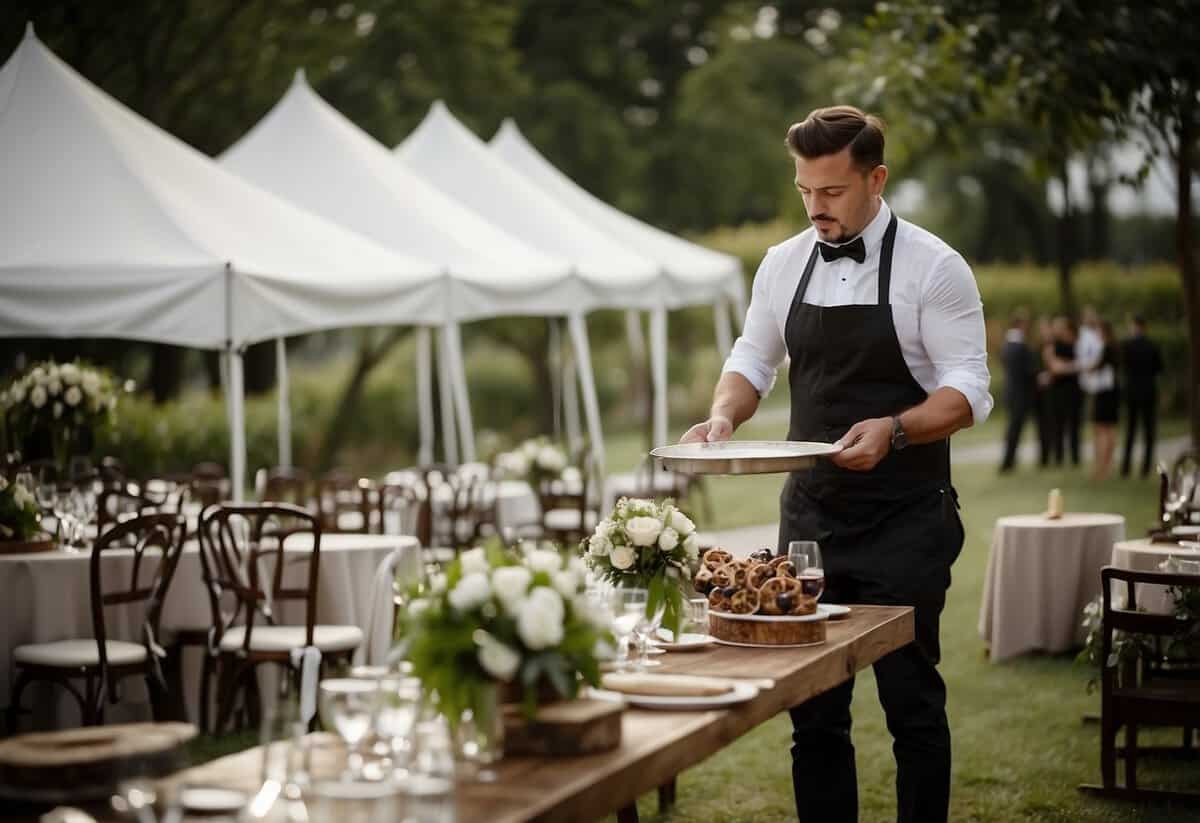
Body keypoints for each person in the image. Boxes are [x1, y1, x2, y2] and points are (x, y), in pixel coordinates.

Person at [681, 105, 991, 823]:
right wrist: (726, 411)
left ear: (876, 179)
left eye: (832, 192)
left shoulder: (935, 267)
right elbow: (751, 359)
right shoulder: (782, 263)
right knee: (814, 714)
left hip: (906, 518)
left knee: (911, 706)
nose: (815, 208)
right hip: (812, 521)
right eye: (804, 192)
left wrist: (895, 428)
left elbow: (969, 391)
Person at [1120, 315, 1163, 476]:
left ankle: (1126, 467)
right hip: (1148, 391)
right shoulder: (1152, 346)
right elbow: (1159, 368)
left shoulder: (1127, 346)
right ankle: (1145, 468)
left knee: (1130, 430)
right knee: (1148, 431)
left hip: (1132, 392)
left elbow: (1123, 367)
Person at [1000, 311, 1037, 472]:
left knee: (1012, 428)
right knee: (1015, 429)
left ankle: (1009, 460)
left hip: (1010, 392)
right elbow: (1029, 371)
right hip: (1020, 394)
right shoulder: (1021, 347)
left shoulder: (1006, 346)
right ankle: (1008, 461)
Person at [1044, 315, 1082, 466]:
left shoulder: (1077, 344)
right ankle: (1059, 458)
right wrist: (1073, 366)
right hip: (1058, 390)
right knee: (1058, 425)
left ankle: (1075, 458)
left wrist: (1066, 366)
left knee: (1074, 425)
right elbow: (1055, 368)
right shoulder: (1053, 345)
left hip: (1074, 390)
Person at [1089, 319, 1120, 480]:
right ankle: (1108, 465)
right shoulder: (1114, 348)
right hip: (1112, 393)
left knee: (1103, 429)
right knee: (1109, 429)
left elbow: (1094, 367)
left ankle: (1103, 466)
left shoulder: (1106, 349)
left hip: (1105, 393)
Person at [1034, 316, 1056, 466]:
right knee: (1041, 426)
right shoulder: (1037, 347)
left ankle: (1055, 456)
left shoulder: (1055, 346)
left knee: (1052, 424)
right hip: (1039, 393)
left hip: (1053, 392)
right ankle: (1044, 458)